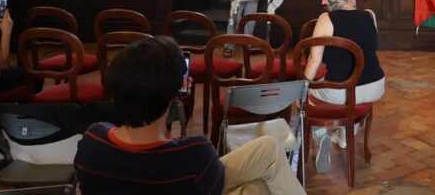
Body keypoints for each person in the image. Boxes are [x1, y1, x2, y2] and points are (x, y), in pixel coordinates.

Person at [74, 36, 303, 195]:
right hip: (186, 176)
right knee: (256, 188)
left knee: (269, 148)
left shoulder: (93, 141)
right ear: (173, 96)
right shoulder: (195, 154)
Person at [303, 0, 385, 173]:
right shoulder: (369, 15)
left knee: (310, 92)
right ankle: (343, 139)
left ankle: (321, 133)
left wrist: (301, 89)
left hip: (342, 91)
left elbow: (314, 60)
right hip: (375, 86)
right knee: (346, 94)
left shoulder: (326, 19)